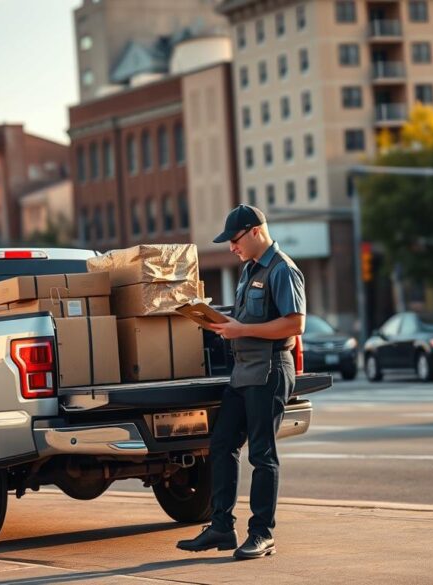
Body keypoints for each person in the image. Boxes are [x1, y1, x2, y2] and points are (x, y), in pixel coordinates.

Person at [176, 204, 305, 560]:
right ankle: (221, 527)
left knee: (263, 454)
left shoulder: (283, 270)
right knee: (221, 444)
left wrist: (241, 330)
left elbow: (295, 325)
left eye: (234, 240)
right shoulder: (249, 270)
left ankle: (263, 535)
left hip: (269, 370)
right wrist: (217, 322)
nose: (232, 247)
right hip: (243, 371)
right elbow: (248, 319)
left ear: (254, 231)